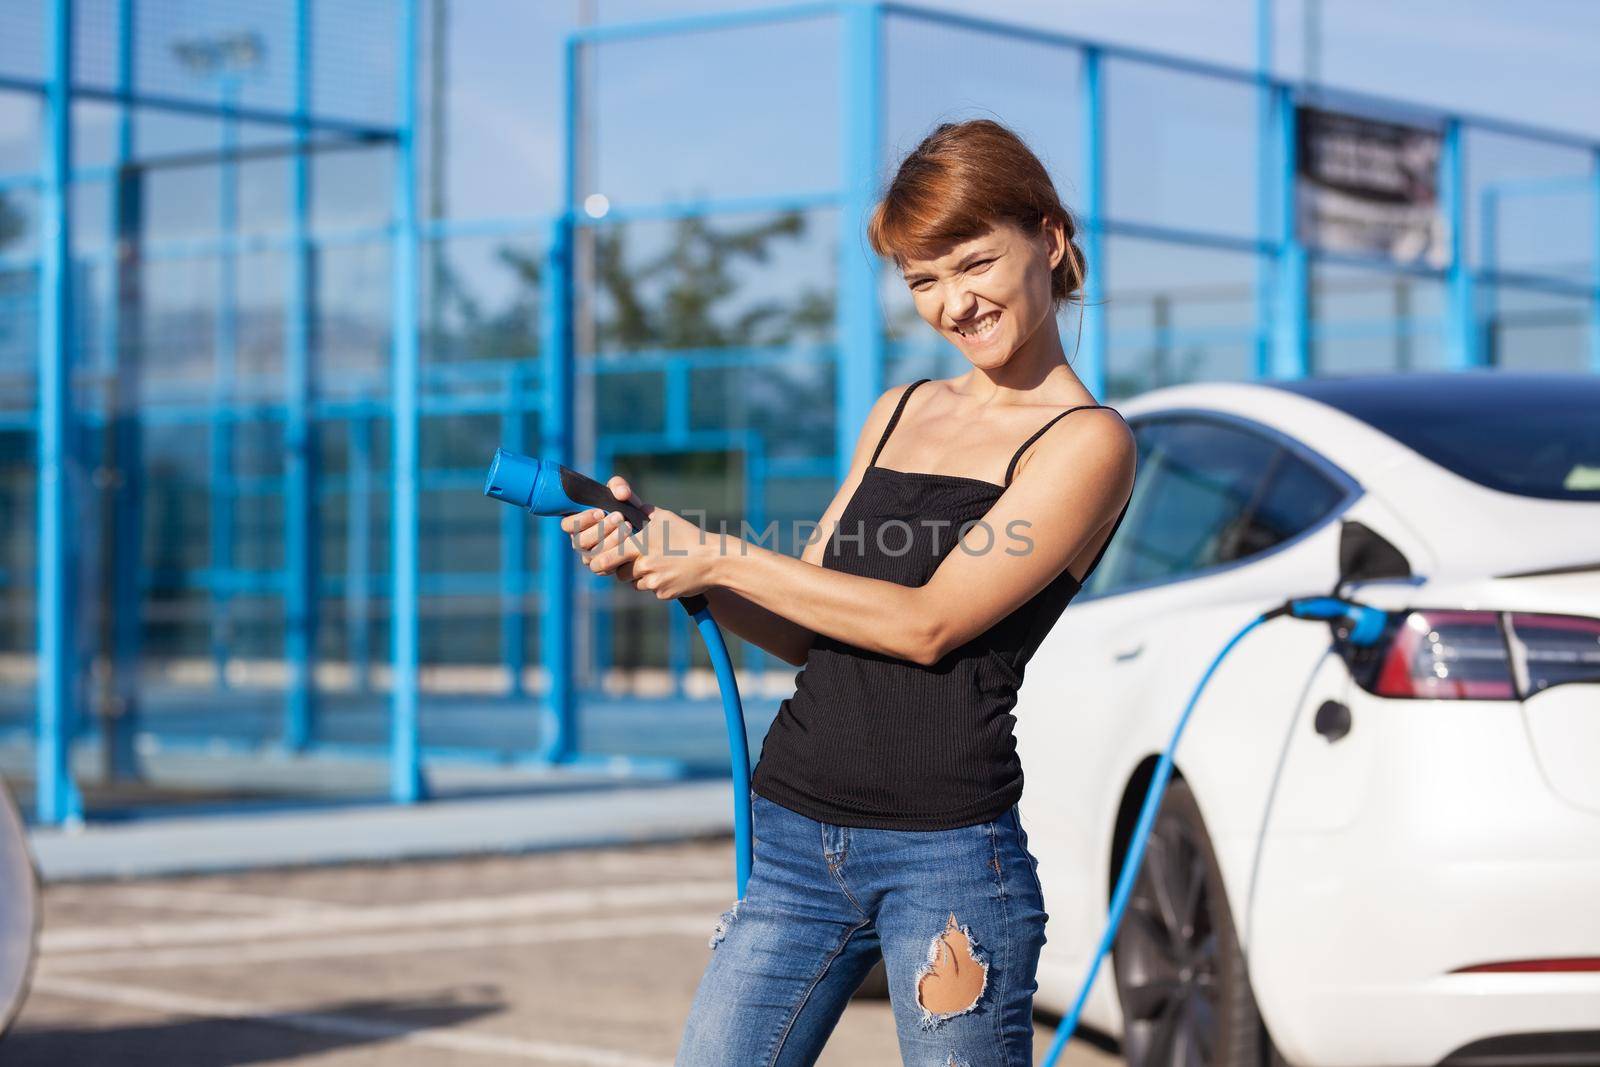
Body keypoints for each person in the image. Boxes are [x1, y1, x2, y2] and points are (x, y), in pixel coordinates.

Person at [562, 118, 1137, 1066]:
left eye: (973, 262)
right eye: (922, 279)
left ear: (1049, 237)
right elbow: (803, 624)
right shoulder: (901, 408)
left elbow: (928, 622)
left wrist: (721, 555)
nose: (953, 302)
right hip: (793, 836)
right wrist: (662, 555)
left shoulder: (1085, 442)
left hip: (946, 860)